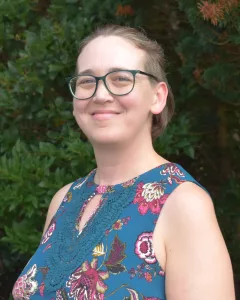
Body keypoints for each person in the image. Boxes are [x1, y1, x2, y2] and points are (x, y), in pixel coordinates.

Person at [12, 25, 235, 300]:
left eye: (120, 79)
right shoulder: (64, 200)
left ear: (158, 97)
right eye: (86, 81)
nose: (100, 94)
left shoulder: (183, 203)